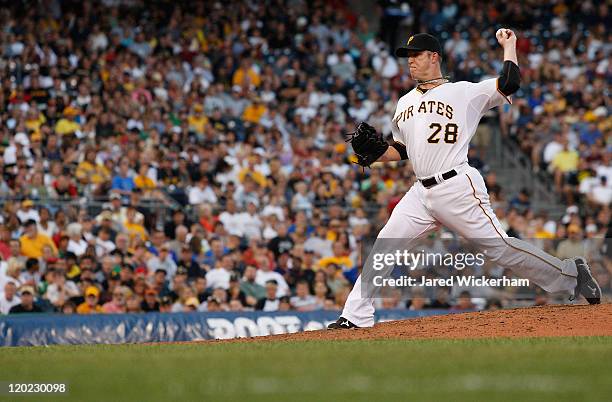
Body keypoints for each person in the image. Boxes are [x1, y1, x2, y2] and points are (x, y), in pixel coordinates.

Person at [329, 31, 601, 330]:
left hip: (456, 185)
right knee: (384, 246)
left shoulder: (464, 92)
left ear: (434, 57)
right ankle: (355, 316)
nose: (411, 62)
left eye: (416, 55)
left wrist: (509, 46)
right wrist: (377, 154)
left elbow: (509, 83)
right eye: (408, 56)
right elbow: (404, 149)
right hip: (420, 192)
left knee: (500, 248)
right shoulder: (404, 103)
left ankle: (572, 275)